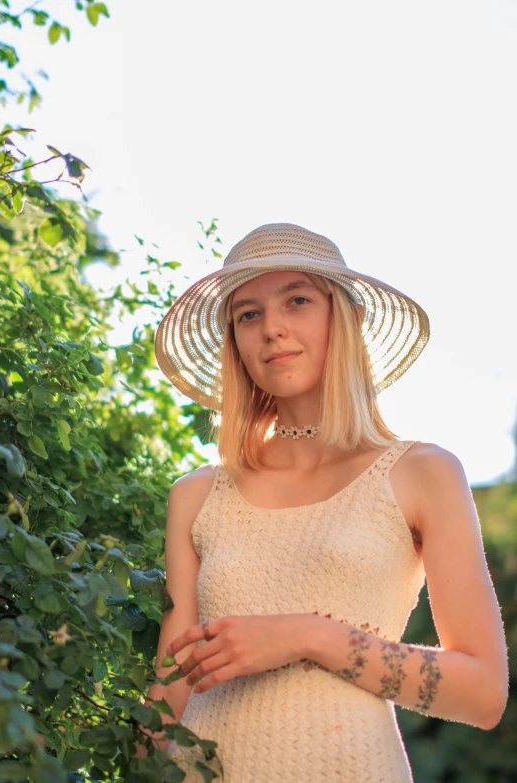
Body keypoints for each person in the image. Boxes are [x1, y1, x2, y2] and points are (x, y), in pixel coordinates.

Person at [146, 223, 508, 782]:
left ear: (346, 318)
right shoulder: (196, 496)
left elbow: (482, 694)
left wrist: (309, 635)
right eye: (248, 314)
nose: (272, 329)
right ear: (234, 341)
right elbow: (170, 690)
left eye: (298, 300)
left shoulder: (423, 473)